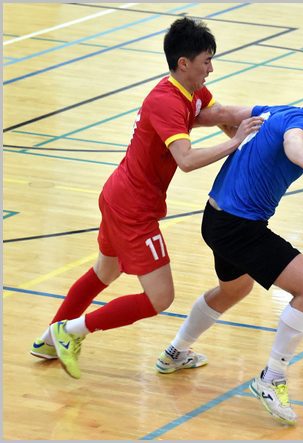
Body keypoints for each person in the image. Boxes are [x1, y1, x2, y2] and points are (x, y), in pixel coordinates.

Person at [30, 17, 262, 379]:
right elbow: (186, 160)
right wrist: (234, 142)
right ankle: (70, 331)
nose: (211, 69)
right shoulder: (166, 102)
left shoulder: (191, 91)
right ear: (183, 63)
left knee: (104, 271)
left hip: (118, 194)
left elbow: (219, 114)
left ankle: (48, 340)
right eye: (206, 62)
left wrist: (269, 117)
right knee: (160, 298)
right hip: (133, 208)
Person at [155, 65, 303, 425]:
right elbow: (294, 143)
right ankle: (271, 378)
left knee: (234, 289)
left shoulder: (277, 111)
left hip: (215, 218)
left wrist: (184, 118)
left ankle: (175, 351)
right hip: (238, 227)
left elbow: (223, 113)